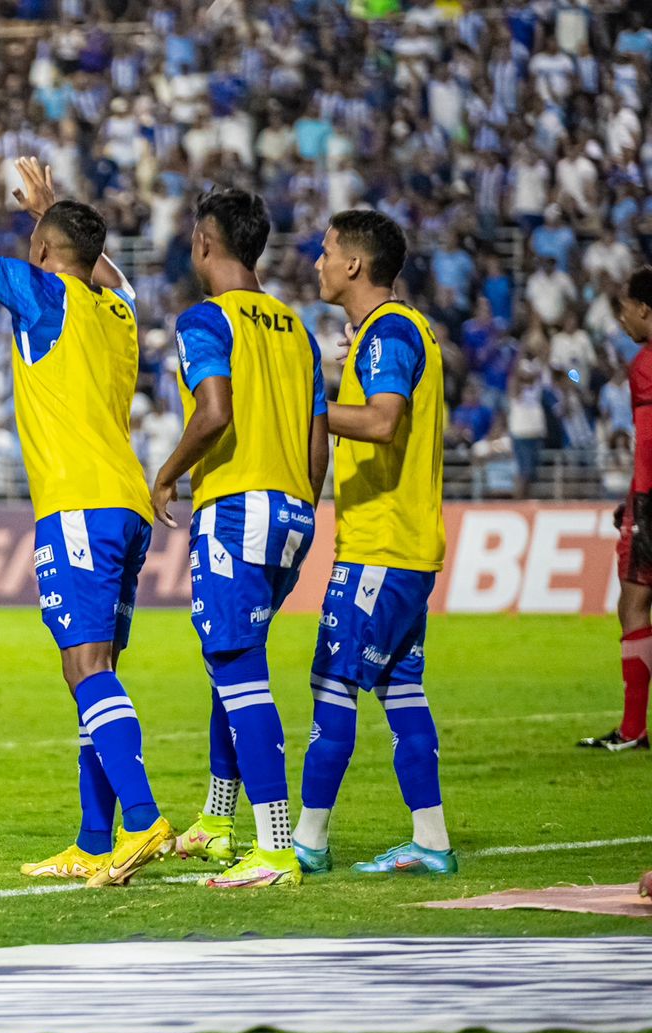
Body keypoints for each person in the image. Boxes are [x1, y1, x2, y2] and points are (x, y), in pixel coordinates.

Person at [0, 124, 173, 889]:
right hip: (125, 500)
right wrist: (49, 211)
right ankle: (94, 841)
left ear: (41, 252)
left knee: (86, 667)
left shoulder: (43, 292)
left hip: (78, 505)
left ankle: (143, 818)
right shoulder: (119, 310)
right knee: (93, 671)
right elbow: (108, 271)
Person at [151, 188, 329, 890]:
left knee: (237, 666)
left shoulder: (206, 319)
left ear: (204, 243)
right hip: (292, 511)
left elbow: (214, 411)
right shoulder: (297, 329)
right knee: (231, 660)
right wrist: (301, 505)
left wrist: (167, 474)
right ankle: (218, 820)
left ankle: (275, 847)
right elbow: (318, 437)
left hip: (238, 509)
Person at [289, 209, 457, 875]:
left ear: (354, 264)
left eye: (327, 251)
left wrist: (304, 408)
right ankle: (432, 841)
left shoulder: (389, 331)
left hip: (380, 548)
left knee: (333, 682)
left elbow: (384, 422)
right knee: (400, 687)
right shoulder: (392, 332)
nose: (318, 262)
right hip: (403, 547)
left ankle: (306, 841)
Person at [580, 267, 652, 753]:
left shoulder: (644, 364)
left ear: (644, 308)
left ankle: (632, 729)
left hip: (650, 503)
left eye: (624, 309)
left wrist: (640, 502)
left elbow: (648, 443)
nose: (622, 319)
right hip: (642, 498)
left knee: (633, 604)